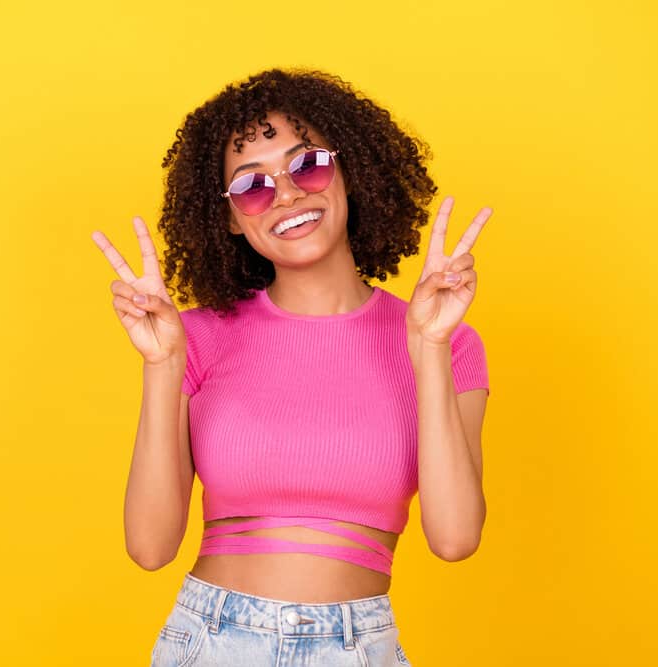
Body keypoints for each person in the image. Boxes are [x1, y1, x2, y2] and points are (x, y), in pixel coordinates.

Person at [91, 68, 492, 666]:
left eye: (308, 166)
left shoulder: (447, 343)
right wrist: (163, 364)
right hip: (212, 642)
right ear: (229, 217)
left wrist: (428, 347)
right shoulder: (192, 339)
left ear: (348, 171)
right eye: (251, 185)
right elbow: (149, 548)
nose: (286, 194)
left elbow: (455, 538)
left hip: (360, 648)